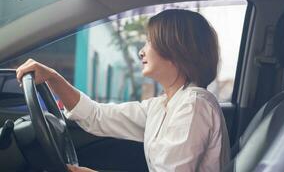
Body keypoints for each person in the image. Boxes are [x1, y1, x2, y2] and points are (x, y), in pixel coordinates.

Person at [16, 9, 230, 172]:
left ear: (175, 50)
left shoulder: (194, 105)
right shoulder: (161, 106)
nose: (141, 51)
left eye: (150, 42)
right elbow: (96, 115)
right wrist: (53, 78)